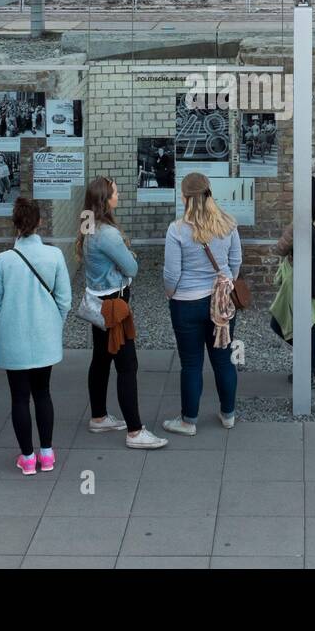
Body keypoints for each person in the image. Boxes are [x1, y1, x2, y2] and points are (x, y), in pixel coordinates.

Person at [76, 177, 168, 450]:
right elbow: (132, 269)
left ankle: (99, 416)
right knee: (128, 366)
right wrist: (131, 256)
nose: (120, 194)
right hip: (115, 306)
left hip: (97, 302)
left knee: (101, 359)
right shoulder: (109, 234)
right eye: (116, 192)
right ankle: (135, 431)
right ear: (105, 199)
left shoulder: (87, 224)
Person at [0, 196, 71, 476]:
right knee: (43, 393)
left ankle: (27, 457)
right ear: (39, 222)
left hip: (13, 337)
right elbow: (65, 299)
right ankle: (47, 453)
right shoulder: (55, 255)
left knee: (19, 398)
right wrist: (53, 323)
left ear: (15, 224)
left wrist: (3, 325)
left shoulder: (3, 260)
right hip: (44, 335)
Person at [162, 172, 242, 436]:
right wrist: (225, 284)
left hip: (186, 303)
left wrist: (170, 294)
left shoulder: (177, 230)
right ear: (210, 192)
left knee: (191, 364)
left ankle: (188, 421)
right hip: (221, 304)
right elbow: (236, 261)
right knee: (223, 360)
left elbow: (172, 274)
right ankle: (228, 414)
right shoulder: (228, 223)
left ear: (184, 197)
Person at [269, 177, 315, 384]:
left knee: (278, 324)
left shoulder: (299, 221)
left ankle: (311, 366)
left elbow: (280, 249)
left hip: (299, 281)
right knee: (310, 323)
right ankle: (312, 365)